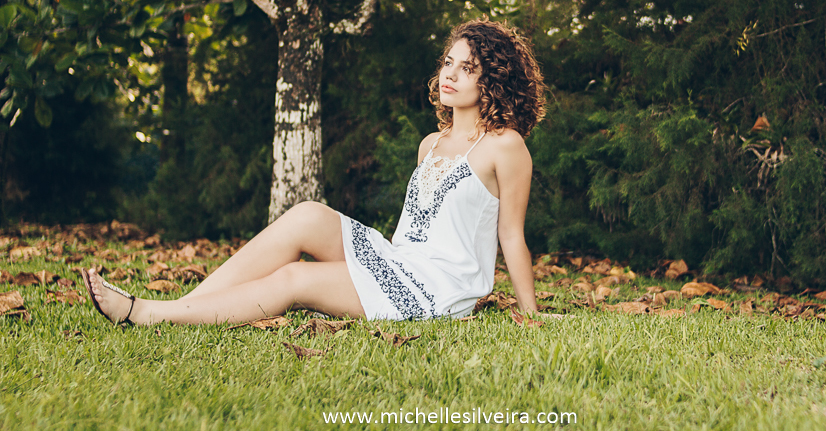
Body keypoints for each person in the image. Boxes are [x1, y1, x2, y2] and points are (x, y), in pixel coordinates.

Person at [81, 17, 547, 325]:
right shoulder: (431, 144)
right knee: (305, 214)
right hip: (401, 262)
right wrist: (379, 261)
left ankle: (147, 315)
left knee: (294, 280)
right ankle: (182, 308)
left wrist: (529, 313)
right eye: (449, 62)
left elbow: (511, 237)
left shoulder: (505, 146)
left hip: (437, 290)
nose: (450, 74)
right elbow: (414, 233)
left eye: (467, 68)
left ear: (492, 80)